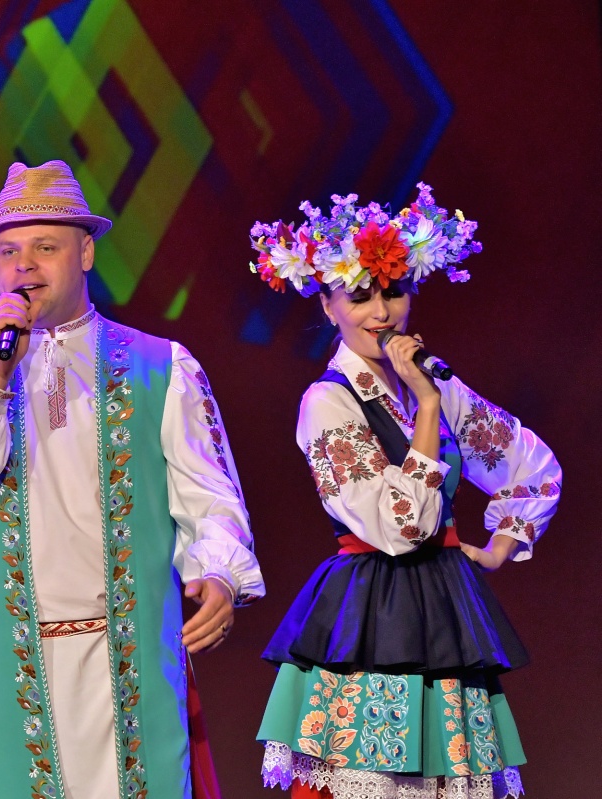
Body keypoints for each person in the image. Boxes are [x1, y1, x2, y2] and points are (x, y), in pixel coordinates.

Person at [0, 160, 265, 799]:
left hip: (128, 658)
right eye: (8, 252)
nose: (24, 266)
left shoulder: (161, 367)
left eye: (45, 247)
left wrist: (220, 574)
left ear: (86, 252)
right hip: (11, 661)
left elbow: (210, 496)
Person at [249, 185, 561, 799]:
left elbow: (534, 467)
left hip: (445, 606)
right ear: (328, 305)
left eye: (393, 292)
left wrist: (498, 547)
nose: (382, 312)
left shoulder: (437, 386)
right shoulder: (328, 401)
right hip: (373, 612)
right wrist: (425, 406)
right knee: (375, 776)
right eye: (359, 296)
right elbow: (401, 528)